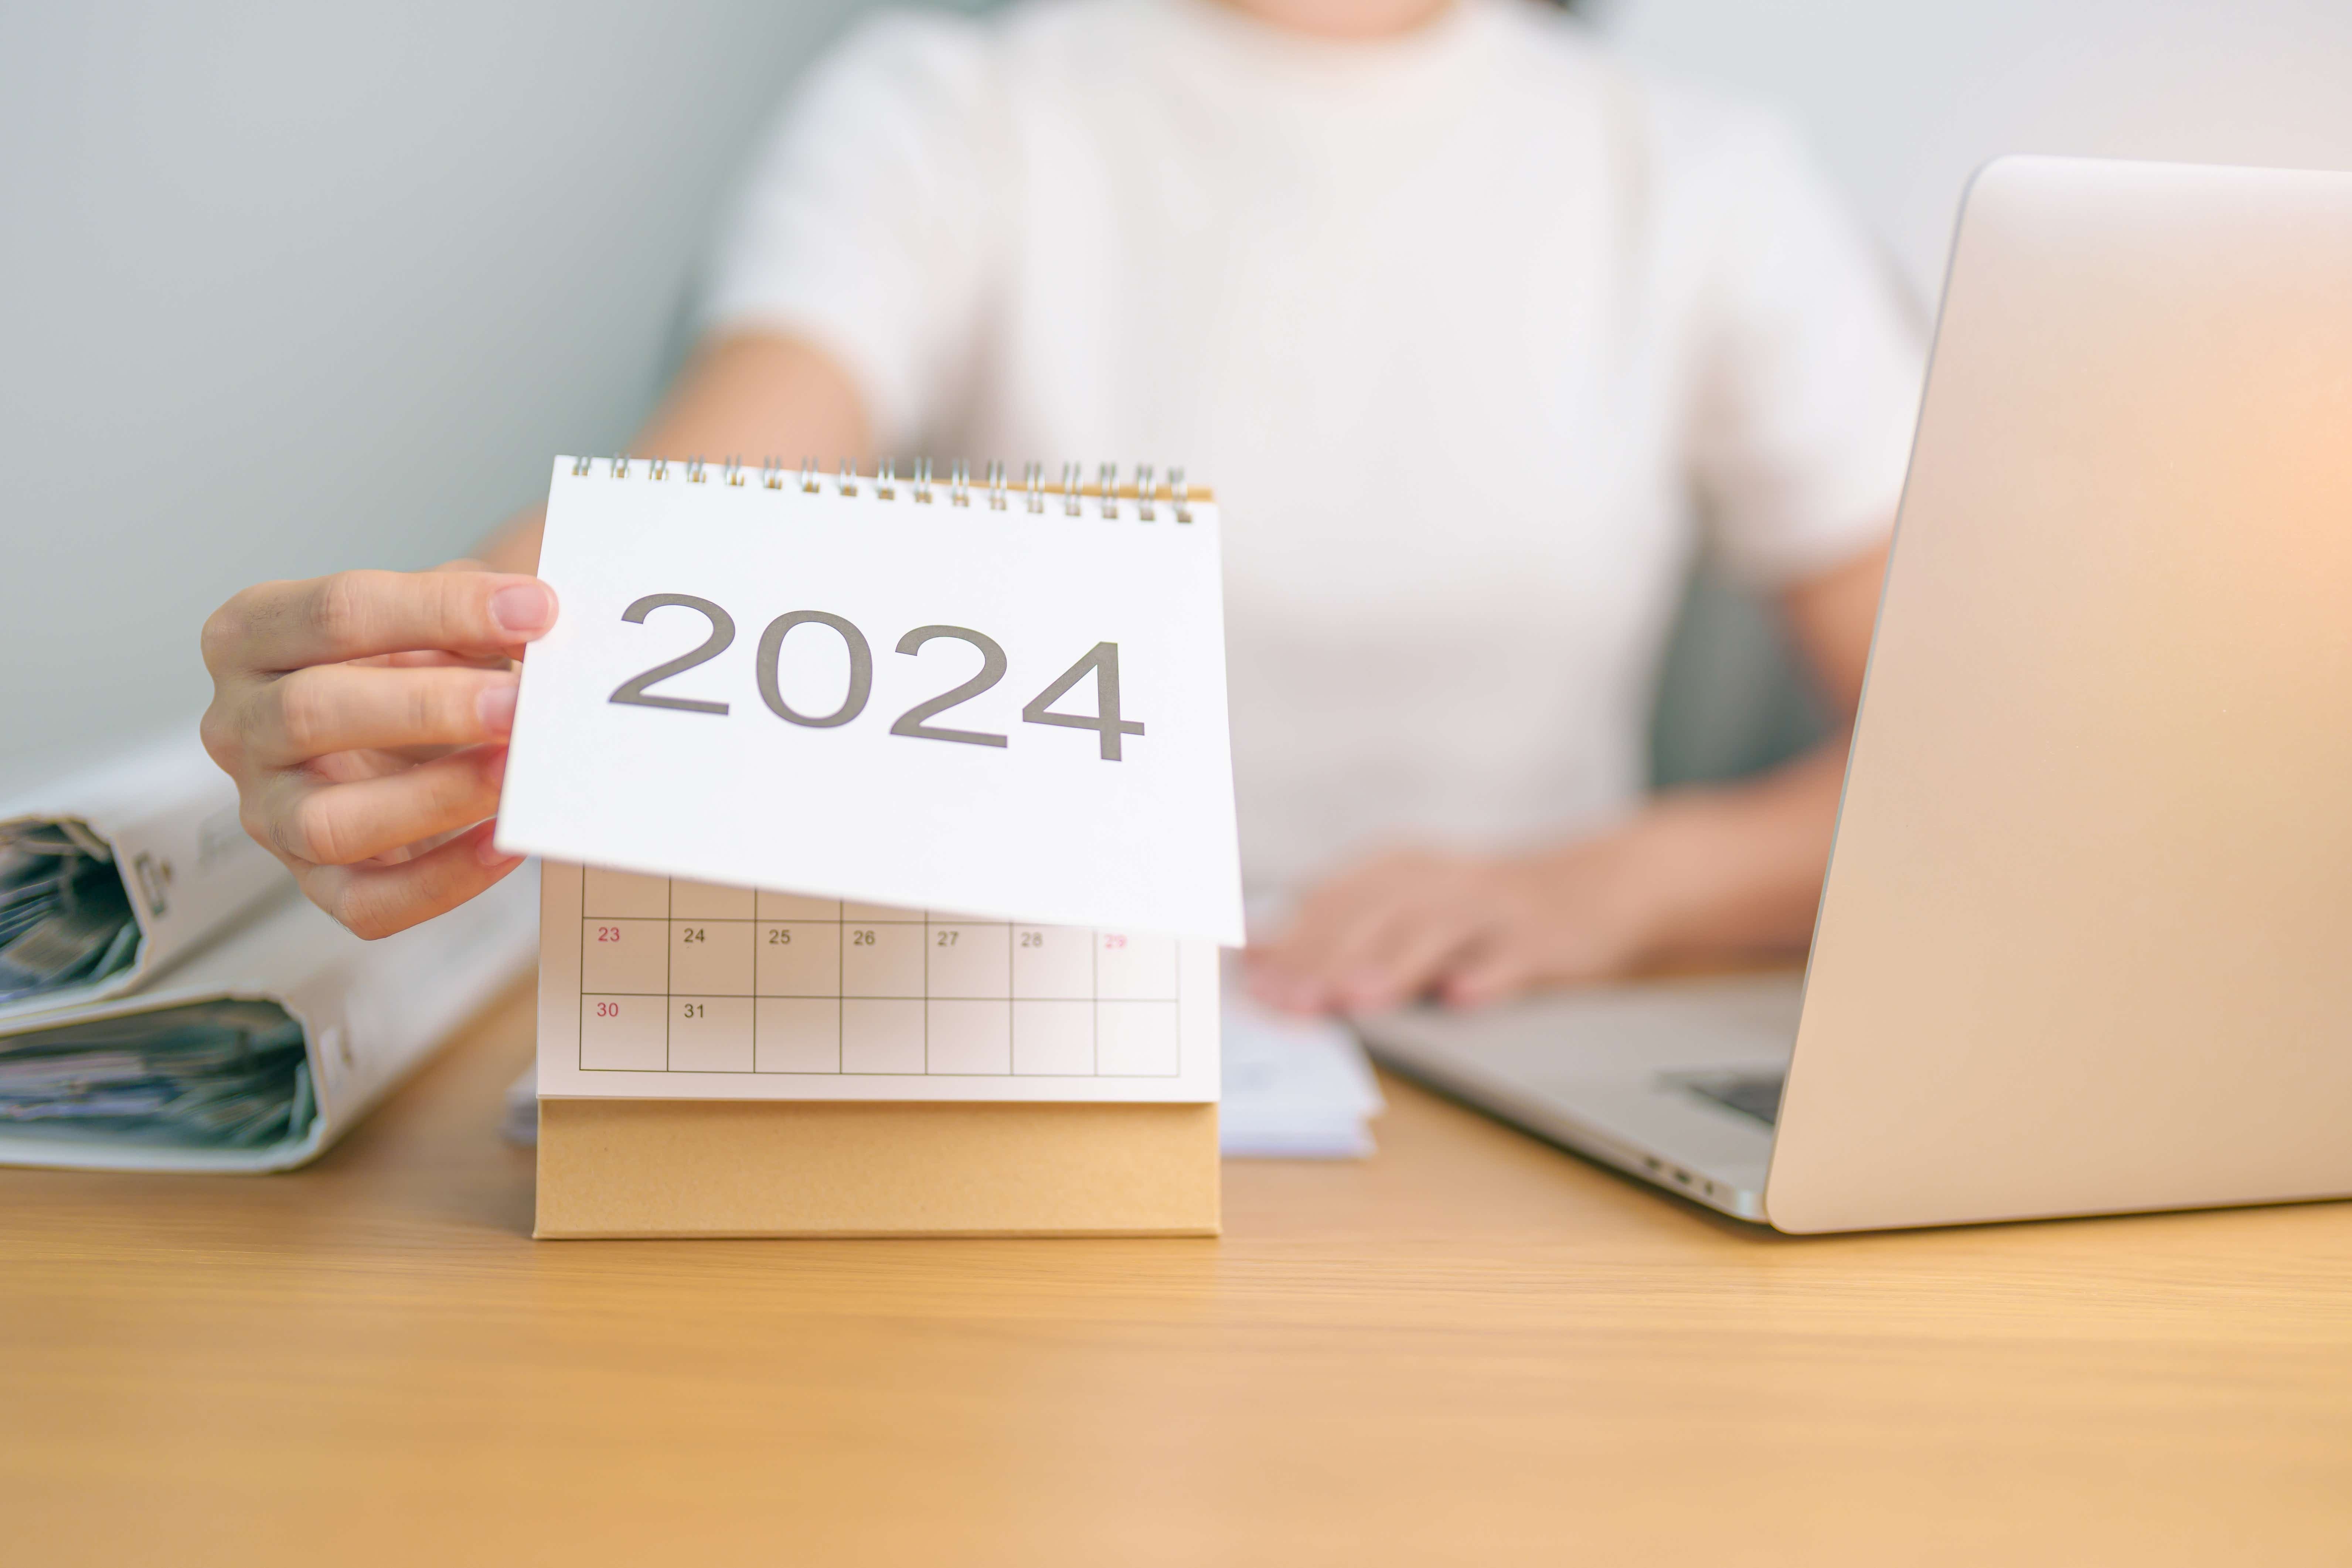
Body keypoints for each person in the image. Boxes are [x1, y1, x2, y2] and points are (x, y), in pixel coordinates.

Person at [198, 0, 1921, 1016]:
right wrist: (439, 675)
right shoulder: (958, 111)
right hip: (1018, 1053)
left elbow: (1967, 757)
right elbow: (698, 499)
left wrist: (1629, 882)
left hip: (1513, 1059)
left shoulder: (1694, 178)